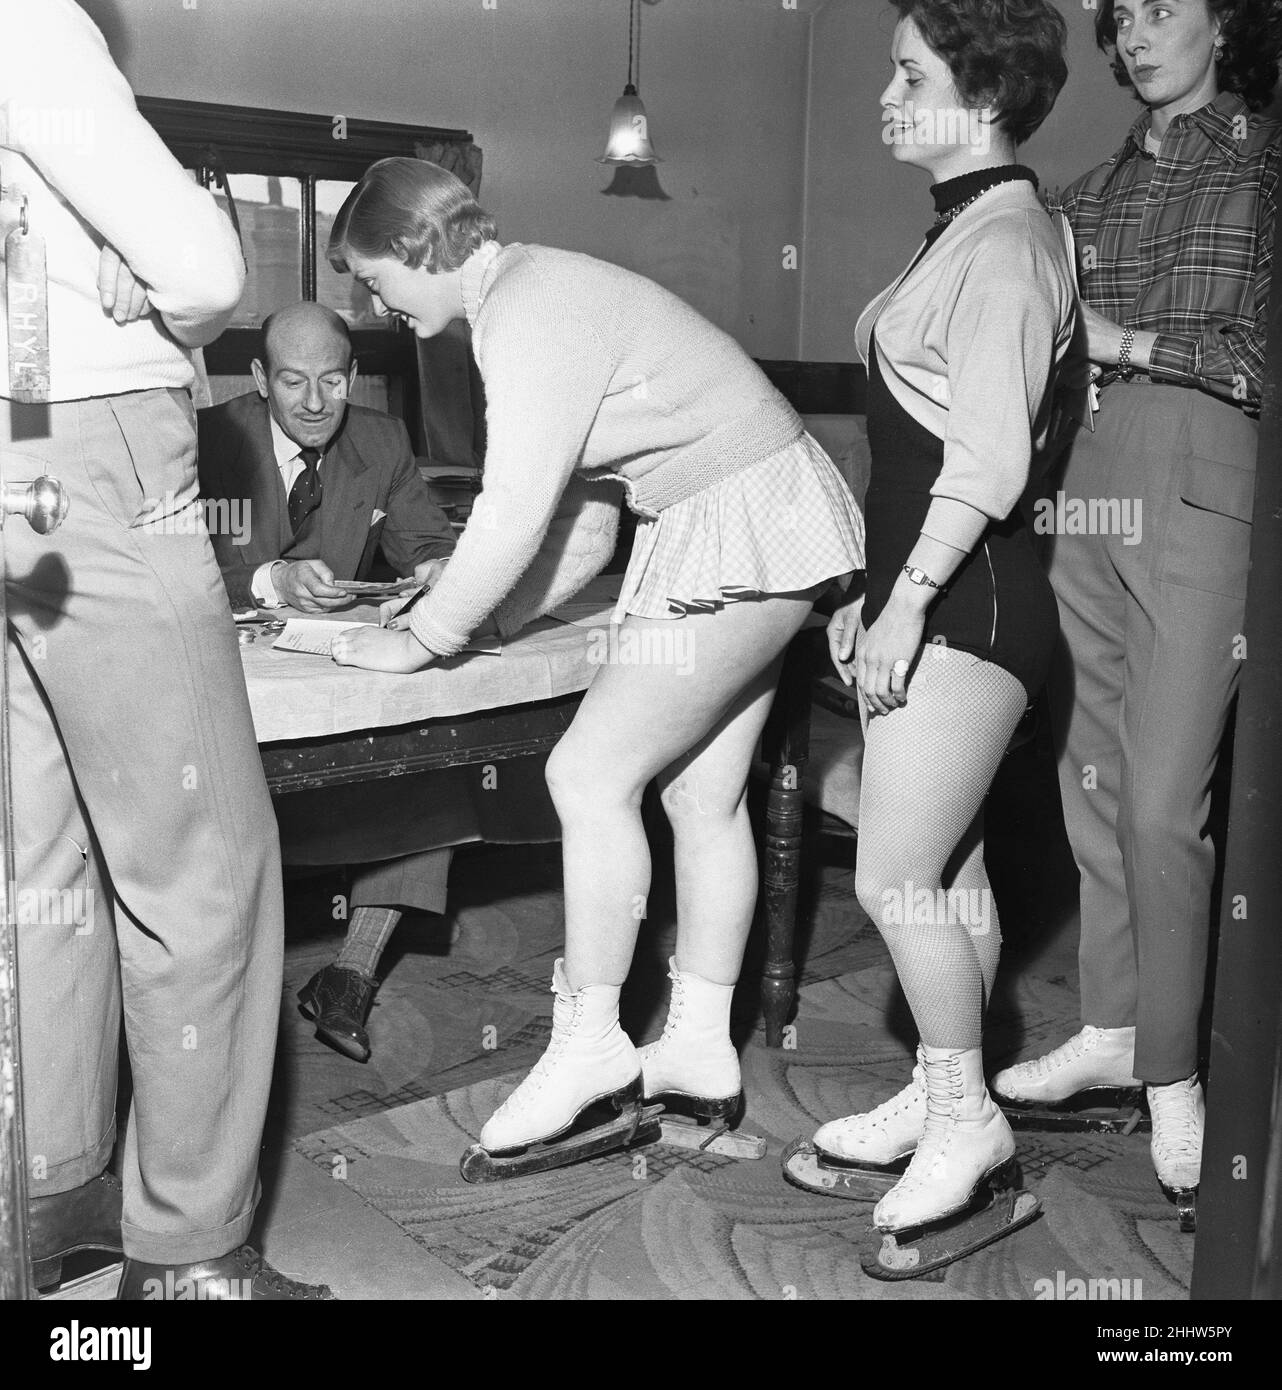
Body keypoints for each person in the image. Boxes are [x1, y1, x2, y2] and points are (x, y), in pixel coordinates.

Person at [325, 157, 865, 1179]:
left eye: (378, 282)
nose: (381, 307)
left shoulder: (525, 308)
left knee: (586, 774)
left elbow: (512, 511)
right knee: (702, 795)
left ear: (410, 250)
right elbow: (582, 526)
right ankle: (699, 1046)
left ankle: (591, 1048)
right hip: (751, 510)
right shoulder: (540, 288)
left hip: (739, 517)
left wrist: (425, 635)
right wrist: (482, 622)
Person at [2, 0, 330, 1298]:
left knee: (41, 848)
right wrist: (148, 286)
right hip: (95, 442)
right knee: (205, 867)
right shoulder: (29, 20)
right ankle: (187, 1253)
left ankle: (52, 1193)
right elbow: (206, 264)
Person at [790, 0, 1075, 1277]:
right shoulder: (969, 225)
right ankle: (939, 1086)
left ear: (982, 87)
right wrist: (874, 584)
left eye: (910, 72)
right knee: (946, 875)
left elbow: (990, 459)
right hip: (938, 590)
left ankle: (969, 1122)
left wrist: (906, 602)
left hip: (975, 607)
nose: (887, 94)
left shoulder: (1006, 238)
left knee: (888, 873)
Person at [992, 0, 1282, 1222]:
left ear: (1226, 24)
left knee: (1165, 803)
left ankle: (1175, 1069)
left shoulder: (1265, 163)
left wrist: (1127, 339)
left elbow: (1259, 361)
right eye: (1121, 15)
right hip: (1086, 485)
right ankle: (1111, 1028)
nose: (1136, 32)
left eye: (1166, 7)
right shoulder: (1086, 190)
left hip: (1206, 478)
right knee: (1092, 784)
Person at [198, 301, 457, 1063]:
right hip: (226, 682)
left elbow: (426, 542)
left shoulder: (380, 439)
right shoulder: (208, 439)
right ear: (258, 379)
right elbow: (163, 559)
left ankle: (351, 972)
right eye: (292, 381)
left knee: (429, 756)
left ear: (352, 378)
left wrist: (440, 574)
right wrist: (268, 579)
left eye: (333, 382)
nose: (314, 403)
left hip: (332, 671)